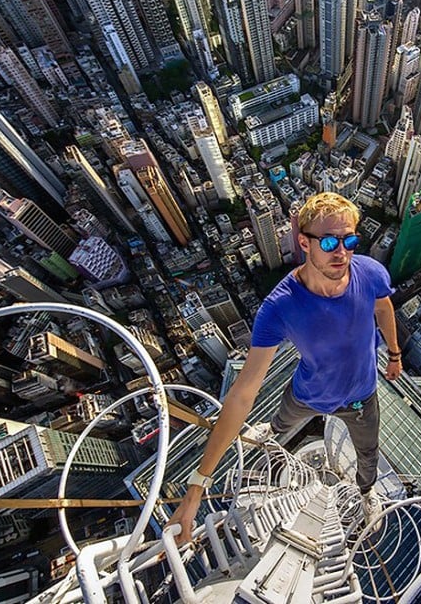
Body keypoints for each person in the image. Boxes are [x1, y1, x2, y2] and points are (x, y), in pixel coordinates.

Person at [168, 192, 401, 543]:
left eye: (350, 240)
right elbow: (243, 392)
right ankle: (273, 430)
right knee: (282, 420)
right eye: (329, 242)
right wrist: (196, 488)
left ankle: (367, 491)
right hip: (308, 393)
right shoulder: (279, 307)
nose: (341, 252)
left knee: (368, 452)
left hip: (360, 396)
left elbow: (383, 308)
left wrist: (394, 354)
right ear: (304, 243)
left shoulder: (369, 273)